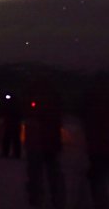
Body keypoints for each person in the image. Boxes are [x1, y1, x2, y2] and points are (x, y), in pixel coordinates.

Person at [81, 74, 109, 209]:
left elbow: (84, 116)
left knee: (97, 177)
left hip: (97, 145)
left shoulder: (90, 99)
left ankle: (100, 203)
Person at [24, 79, 66, 208]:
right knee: (52, 175)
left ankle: (37, 200)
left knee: (37, 175)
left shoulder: (34, 104)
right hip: (49, 144)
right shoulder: (53, 103)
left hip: (39, 144)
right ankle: (54, 200)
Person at [2, 93, 22, 159]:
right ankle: (16, 154)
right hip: (14, 125)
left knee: (8, 139)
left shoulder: (9, 106)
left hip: (11, 124)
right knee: (15, 140)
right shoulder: (17, 106)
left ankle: (6, 153)